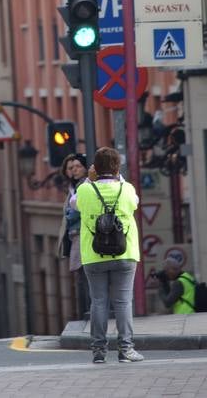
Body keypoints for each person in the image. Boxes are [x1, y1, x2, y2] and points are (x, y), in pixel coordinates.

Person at [72, 146, 143, 364]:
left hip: (94, 255)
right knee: (123, 302)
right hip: (125, 252)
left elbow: (73, 204)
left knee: (98, 302)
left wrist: (88, 180)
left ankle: (99, 352)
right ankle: (126, 349)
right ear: (117, 167)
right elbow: (135, 204)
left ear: (94, 168)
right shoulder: (127, 189)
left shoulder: (85, 190)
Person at [58, 153, 90, 320]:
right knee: (80, 274)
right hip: (75, 236)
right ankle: (86, 312)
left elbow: (74, 212)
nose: (74, 170)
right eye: (70, 168)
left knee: (83, 273)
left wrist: (70, 213)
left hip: (82, 234)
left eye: (78, 166)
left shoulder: (84, 186)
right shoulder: (74, 187)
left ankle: (89, 311)